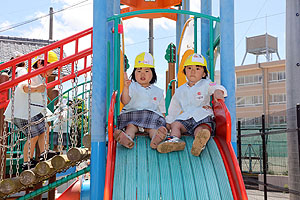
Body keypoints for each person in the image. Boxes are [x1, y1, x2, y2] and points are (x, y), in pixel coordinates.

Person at [157, 53, 227, 156]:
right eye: (189, 68)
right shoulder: (180, 90)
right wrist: (169, 121)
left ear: (204, 73)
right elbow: (174, 107)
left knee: (202, 128)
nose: (193, 71)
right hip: (186, 117)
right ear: (185, 71)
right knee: (176, 125)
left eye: (197, 69)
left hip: (202, 115)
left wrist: (218, 92)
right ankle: (174, 140)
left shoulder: (207, 83)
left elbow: (216, 87)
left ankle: (199, 142)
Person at [4, 51, 59, 170]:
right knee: (33, 135)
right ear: (40, 63)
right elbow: (23, 87)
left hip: (30, 112)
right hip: (22, 113)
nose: (51, 72)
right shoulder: (31, 74)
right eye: (50, 67)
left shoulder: (39, 77)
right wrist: (36, 89)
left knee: (45, 127)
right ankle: (26, 162)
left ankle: (44, 153)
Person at [113, 52, 167, 149]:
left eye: (147, 71)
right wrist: (125, 87)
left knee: (153, 129)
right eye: (138, 71)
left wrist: (165, 123)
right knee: (131, 127)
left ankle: (156, 138)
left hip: (151, 118)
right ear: (134, 73)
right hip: (133, 116)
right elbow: (124, 101)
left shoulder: (158, 91)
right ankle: (127, 139)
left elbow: (162, 111)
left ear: (153, 73)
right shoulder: (131, 86)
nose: (142, 74)